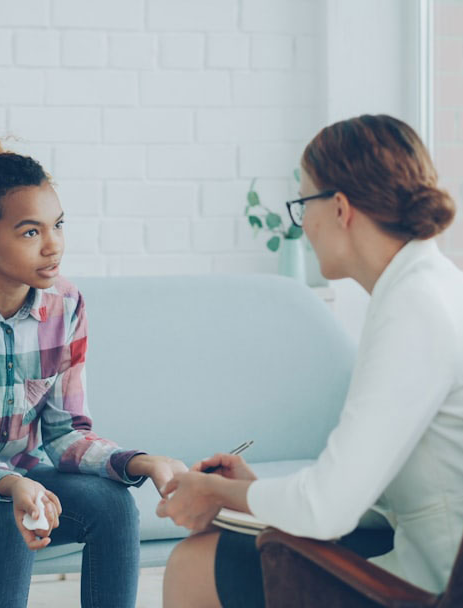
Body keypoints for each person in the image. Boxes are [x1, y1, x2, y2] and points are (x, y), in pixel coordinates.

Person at [157, 114, 463, 607]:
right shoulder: (429, 286)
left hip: (431, 584)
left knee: (195, 563)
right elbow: (364, 489)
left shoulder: (415, 308)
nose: (304, 226)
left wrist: (218, 495)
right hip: (420, 551)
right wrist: (256, 491)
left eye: (304, 204)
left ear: (340, 207)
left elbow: (327, 510)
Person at [0, 130, 186, 608]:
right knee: (11, 516)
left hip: (20, 479)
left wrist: (140, 462)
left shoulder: (66, 304)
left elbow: (66, 434)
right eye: (31, 231)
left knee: (114, 505)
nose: (53, 246)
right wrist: (14, 486)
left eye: (58, 225)